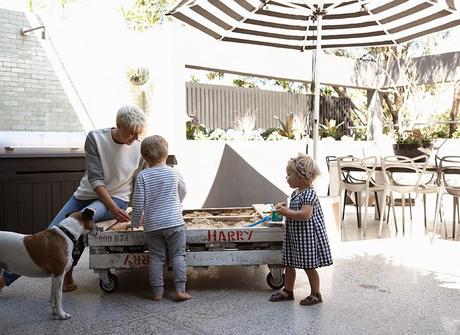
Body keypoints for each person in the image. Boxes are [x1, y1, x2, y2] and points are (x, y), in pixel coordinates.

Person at [0, 104, 148, 293]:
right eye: (132, 133)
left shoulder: (139, 148)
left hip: (117, 198)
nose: (136, 139)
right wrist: (111, 208)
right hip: (86, 195)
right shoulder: (95, 137)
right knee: (52, 232)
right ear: (118, 124)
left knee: (79, 223)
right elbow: (95, 179)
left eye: (139, 134)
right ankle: (4, 281)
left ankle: (67, 273)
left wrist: (136, 209)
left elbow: (138, 183)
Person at [130, 135, 191, 302]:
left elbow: (138, 201)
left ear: (144, 157)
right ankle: (180, 290)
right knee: (178, 255)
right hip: (174, 223)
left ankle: (157, 292)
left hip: (153, 225)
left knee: (156, 257)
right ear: (166, 154)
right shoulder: (174, 173)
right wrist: (177, 203)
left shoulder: (143, 176)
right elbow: (183, 191)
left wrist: (135, 222)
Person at [269, 153, 333, 306]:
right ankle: (288, 290)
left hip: (307, 238)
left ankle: (316, 294)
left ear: (301, 176)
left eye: (289, 174)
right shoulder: (296, 192)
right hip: (295, 236)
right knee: (289, 264)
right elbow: (296, 211)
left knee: (309, 266)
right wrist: (285, 208)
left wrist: (286, 212)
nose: (287, 178)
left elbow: (305, 215)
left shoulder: (309, 194)